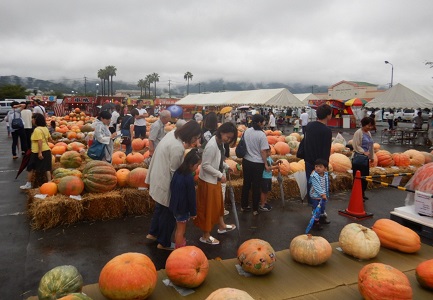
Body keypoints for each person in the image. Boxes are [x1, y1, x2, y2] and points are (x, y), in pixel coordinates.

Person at [145, 120, 202, 251]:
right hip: (165, 181)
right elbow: (176, 172)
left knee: (159, 209)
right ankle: (163, 243)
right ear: (190, 135)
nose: (194, 140)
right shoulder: (177, 147)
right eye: (194, 138)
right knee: (168, 214)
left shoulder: (172, 134)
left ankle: (152, 233)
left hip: (157, 176)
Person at [195, 122, 238, 245]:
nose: (228, 140)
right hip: (208, 181)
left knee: (218, 205)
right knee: (208, 209)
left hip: (215, 180)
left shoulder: (220, 144)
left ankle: (222, 225)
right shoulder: (212, 146)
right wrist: (219, 174)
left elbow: (218, 160)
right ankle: (205, 235)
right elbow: (205, 165)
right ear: (221, 132)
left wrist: (225, 166)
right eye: (227, 137)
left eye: (230, 138)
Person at [301, 104, 332, 212]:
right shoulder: (327, 131)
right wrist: (325, 165)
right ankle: (319, 212)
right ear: (328, 115)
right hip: (320, 164)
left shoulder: (309, 126)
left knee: (311, 184)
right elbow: (326, 150)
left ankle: (313, 206)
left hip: (309, 161)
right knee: (321, 187)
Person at [169, 149, 201, 249]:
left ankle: (178, 244)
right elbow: (191, 197)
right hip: (183, 208)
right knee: (181, 230)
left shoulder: (178, 172)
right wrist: (193, 212)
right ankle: (179, 249)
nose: (197, 168)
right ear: (191, 165)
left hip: (175, 205)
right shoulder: (188, 178)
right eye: (197, 166)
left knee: (178, 228)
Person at [240, 114, 270, 216]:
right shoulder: (262, 135)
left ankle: (244, 206)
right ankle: (255, 209)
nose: (264, 123)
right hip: (258, 163)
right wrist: (266, 164)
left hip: (246, 161)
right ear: (259, 123)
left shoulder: (246, 131)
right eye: (263, 122)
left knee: (246, 184)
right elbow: (263, 151)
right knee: (256, 186)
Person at [20, 113, 52, 190]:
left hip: (37, 152)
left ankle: (28, 184)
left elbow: (39, 141)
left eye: (33, 119)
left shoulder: (37, 130)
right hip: (47, 150)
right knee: (47, 168)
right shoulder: (45, 128)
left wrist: (40, 152)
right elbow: (50, 139)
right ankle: (50, 183)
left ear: (36, 120)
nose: (32, 120)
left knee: (30, 168)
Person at [351, 117, 375, 201]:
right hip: (359, 158)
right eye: (368, 125)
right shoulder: (358, 132)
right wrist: (362, 151)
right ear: (364, 124)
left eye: (371, 126)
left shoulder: (368, 133)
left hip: (365, 159)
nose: (370, 127)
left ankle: (362, 192)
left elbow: (371, 146)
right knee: (358, 177)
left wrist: (372, 157)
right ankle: (357, 194)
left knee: (365, 177)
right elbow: (356, 145)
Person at [308, 158, 330, 230]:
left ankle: (322, 218)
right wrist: (322, 194)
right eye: (316, 166)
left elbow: (326, 184)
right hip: (316, 196)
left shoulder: (325, 175)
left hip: (322, 196)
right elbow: (317, 186)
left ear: (325, 168)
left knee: (322, 208)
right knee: (317, 209)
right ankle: (316, 222)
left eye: (320, 167)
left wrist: (325, 194)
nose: (318, 168)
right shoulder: (314, 176)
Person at [260, 147, 281, 212]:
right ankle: (262, 205)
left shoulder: (269, 158)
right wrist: (276, 167)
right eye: (269, 151)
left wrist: (277, 162)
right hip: (264, 177)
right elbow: (268, 168)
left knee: (267, 191)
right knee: (264, 191)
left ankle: (265, 202)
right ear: (265, 152)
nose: (270, 153)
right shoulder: (263, 159)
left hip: (268, 177)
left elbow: (273, 163)